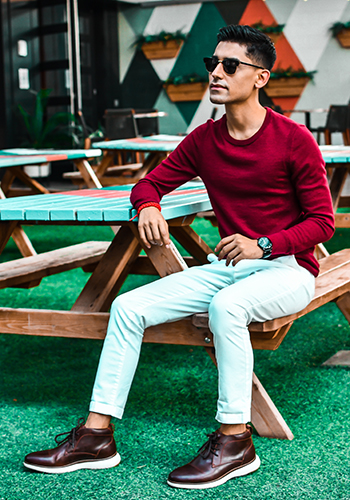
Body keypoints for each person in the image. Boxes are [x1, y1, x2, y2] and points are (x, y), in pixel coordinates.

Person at [23, 24, 334, 489]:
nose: (216, 73)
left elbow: (322, 222)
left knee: (225, 307)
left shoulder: (294, 140)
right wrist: (148, 204)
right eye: (213, 63)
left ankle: (235, 441)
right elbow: (149, 183)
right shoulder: (205, 140)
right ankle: (96, 436)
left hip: (288, 268)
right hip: (231, 267)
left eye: (231, 66)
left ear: (261, 78)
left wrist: (263, 244)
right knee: (128, 307)